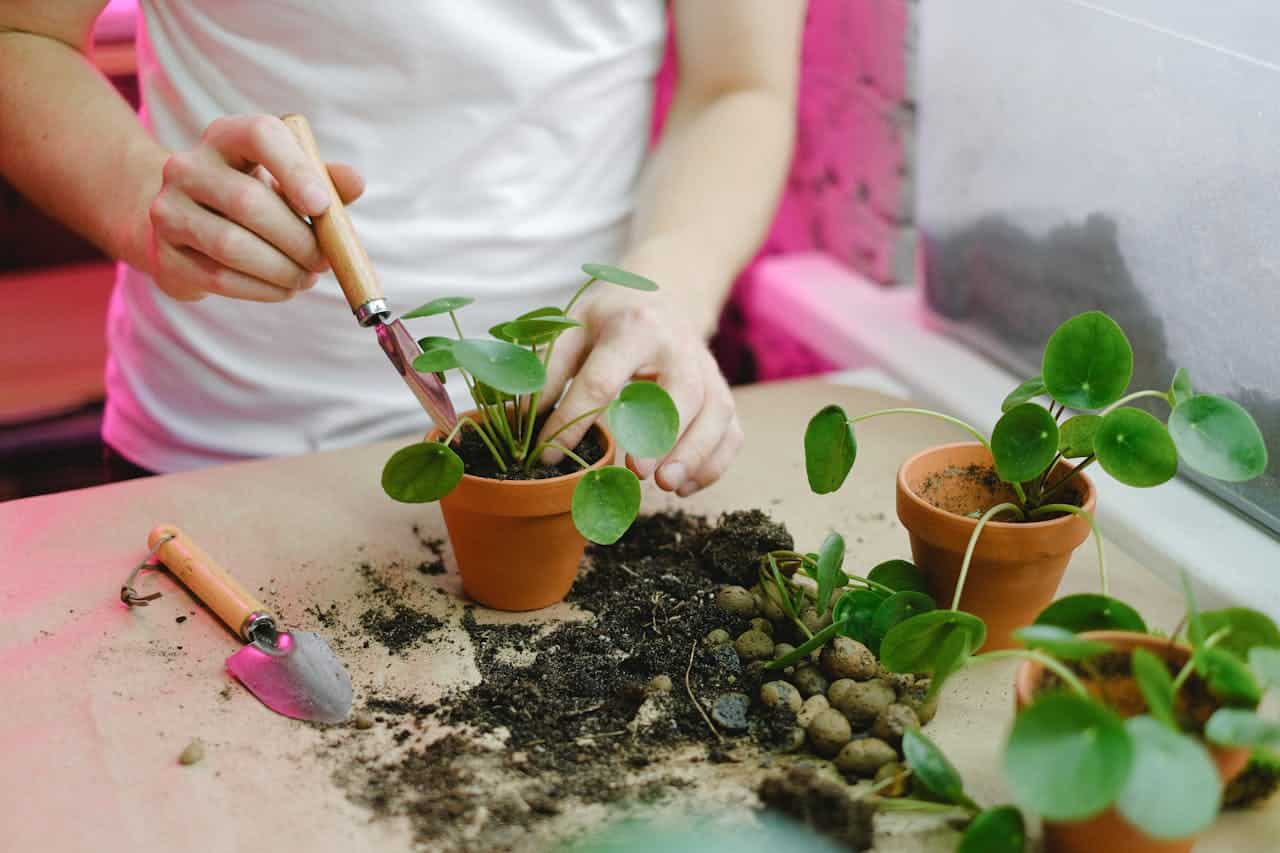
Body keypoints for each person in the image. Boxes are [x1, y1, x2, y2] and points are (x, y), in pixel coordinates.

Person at [0, 1, 802, 497]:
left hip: (580, 440)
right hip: (227, 446)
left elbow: (740, 87)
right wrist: (146, 200)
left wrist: (669, 287)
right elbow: (20, 33)